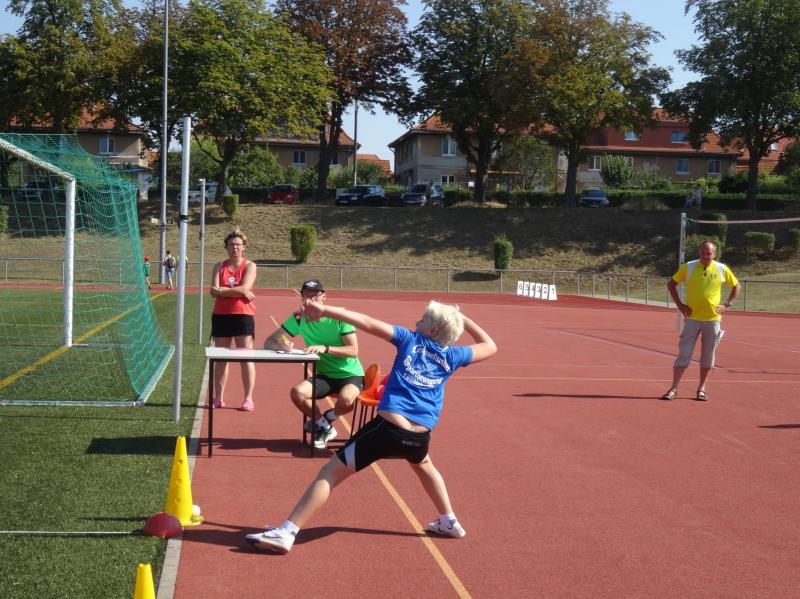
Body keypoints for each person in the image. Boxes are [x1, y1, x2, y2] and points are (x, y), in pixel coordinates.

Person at [246, 299, 497, 554]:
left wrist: (325, 310)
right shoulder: (453, 355)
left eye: (422, 319)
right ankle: (449, 521)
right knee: (423, 465)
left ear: (432, 329)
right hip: (419, 437)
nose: (416, 321)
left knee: (329, 473)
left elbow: (365, 322)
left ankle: (287, 532)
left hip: (388, 430)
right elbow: (490, 346)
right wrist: (462, 319)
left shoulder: (409, 339)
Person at [263, 279, 364, 449]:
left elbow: (353, 350)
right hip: (324, 375)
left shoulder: (340, 316)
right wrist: (282, 346)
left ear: (324, 296)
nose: (311, 298)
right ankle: (324, 426)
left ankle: (326, 419)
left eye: (315, 294)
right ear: (302, 298)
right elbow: (269, 341)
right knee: (297, 392)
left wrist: (325, 348)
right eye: (307, 294)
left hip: (350, 373)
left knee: (347, 401)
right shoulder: (298, 319)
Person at [662, 240, 740, 401]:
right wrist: (680, 305)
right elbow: (671, 284)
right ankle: (673, 388)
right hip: (692, 319)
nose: (705, 256)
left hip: (712, 320)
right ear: (699, 254)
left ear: (714, 254)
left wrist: (727, 304)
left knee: (708, 357)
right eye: (703, 253)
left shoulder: (722, 268)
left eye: (708, 253)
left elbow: (736, 286)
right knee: (684, 354)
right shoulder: (689, 267)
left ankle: (701, 389)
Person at [209, 228, 258, 411]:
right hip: (221, 315)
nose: (235, 247)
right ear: (226, 247)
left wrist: (224, 291)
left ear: (244, 247)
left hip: (243, 315)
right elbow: (212, 291)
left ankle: (248, 399)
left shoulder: (250, 266)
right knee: (221, 359)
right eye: (231, 244)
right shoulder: (218, 266)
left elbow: (244, 288)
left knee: (245, 358)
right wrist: (238, 291)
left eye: (238, 244)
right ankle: (218, 398)